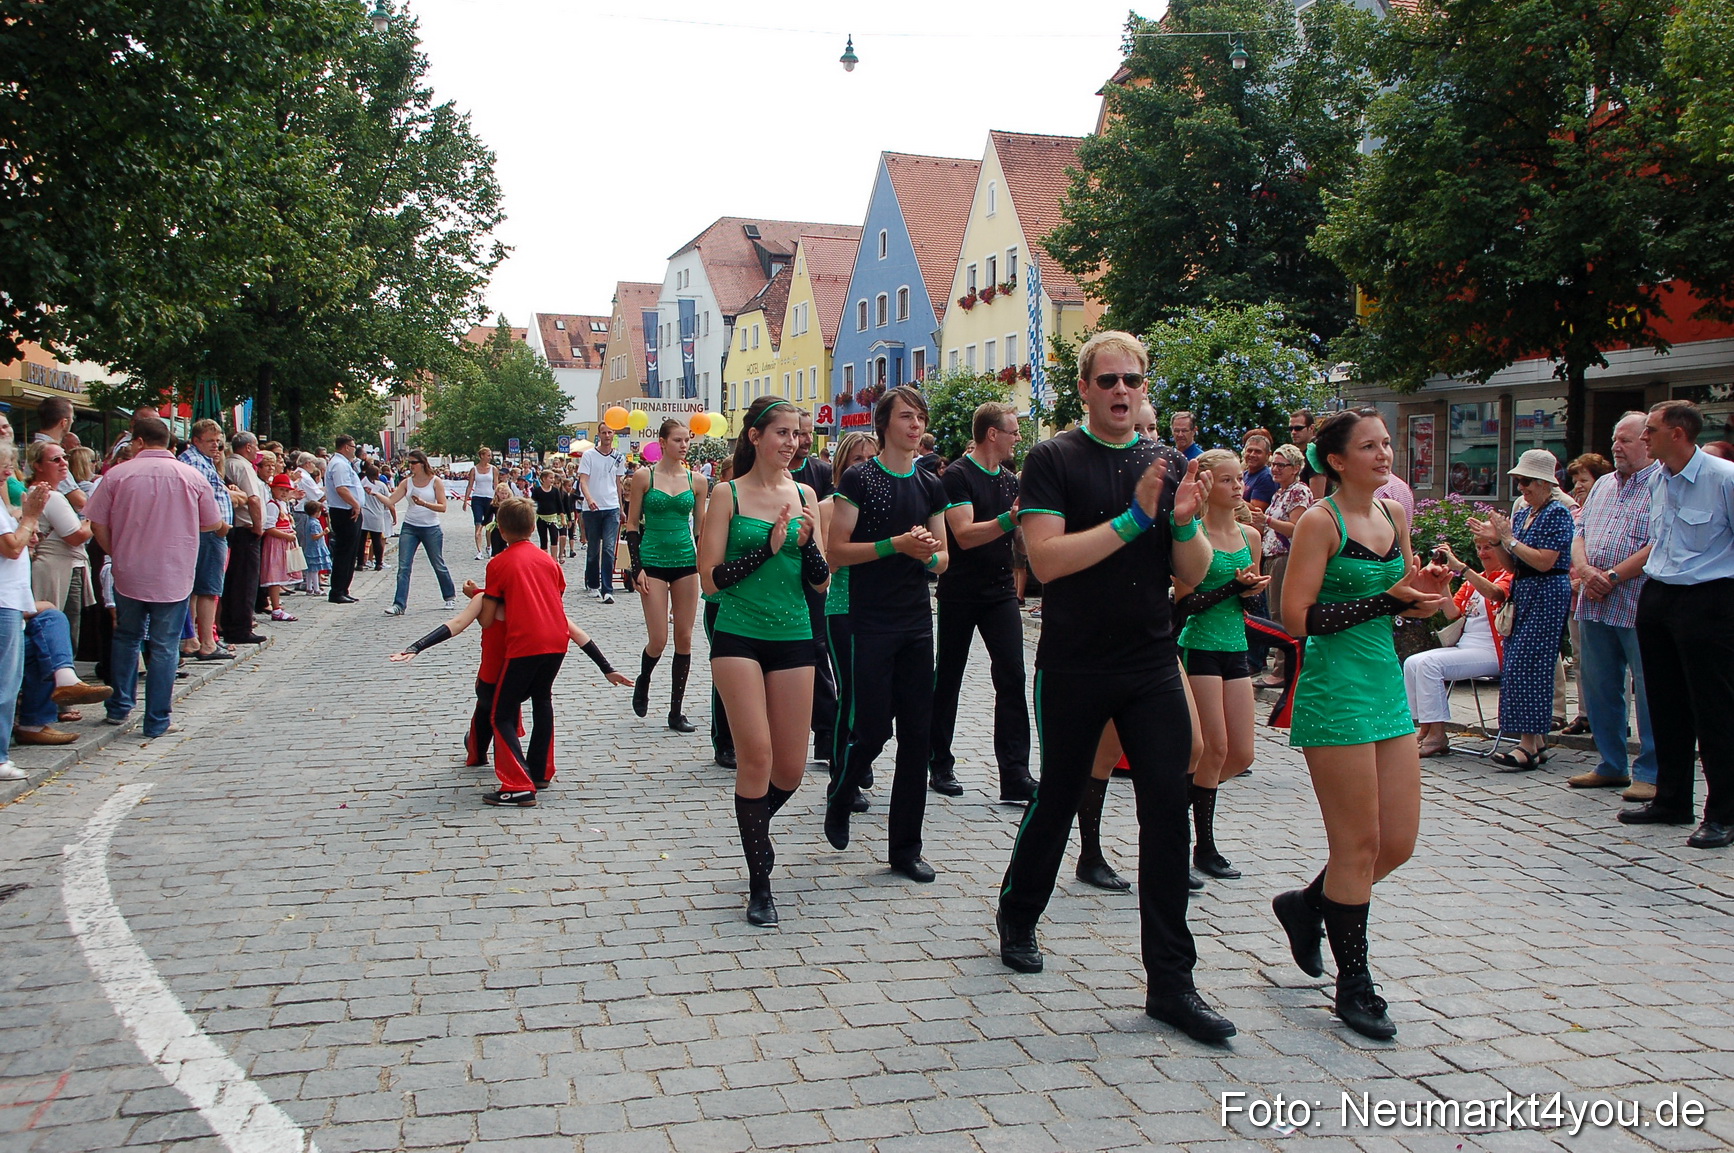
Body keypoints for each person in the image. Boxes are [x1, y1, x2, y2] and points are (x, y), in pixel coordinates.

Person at [994, 331, 1232, 1043]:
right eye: (1108, 380)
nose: (1122, 390)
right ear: (1085, 389)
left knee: (1166, 812)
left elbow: (1192, 571)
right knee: (1059, 797)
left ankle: (1172, 982)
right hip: (1073, 662)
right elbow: (1047, 559)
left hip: (1152, 660)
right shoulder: (1052, 457)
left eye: (1132, 379)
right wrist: (1134, 516)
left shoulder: (1164, 460)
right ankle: (1019, 911)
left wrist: (1183, 523)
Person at [1273, 407, 1445, 1041]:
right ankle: (1355, 984)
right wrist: (1387, 599)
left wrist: (1428, 587)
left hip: (1384, 686)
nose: (1383, 454)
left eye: (1387, 444)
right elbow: (1297, 619)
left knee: (1396, 842)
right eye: (1368, 447)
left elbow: (1406, 589)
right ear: (1337, 460)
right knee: (1358, 846)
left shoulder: (1395, 515)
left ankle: (1306, 905)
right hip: (1333, 691)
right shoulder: (1320, 522)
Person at [696, 397, 827, 925]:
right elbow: (711, 581)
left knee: (791, 770)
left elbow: (820, 579)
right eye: (782, 433)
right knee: (756, 754)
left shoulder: (806, 494)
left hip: (794, 634)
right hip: (738, 636)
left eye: (797, 434)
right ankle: (760, 881)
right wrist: (768, 549)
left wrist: (805, 544)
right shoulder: (726, 494)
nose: (792, 442)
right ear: (755, 437)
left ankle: (756, 828)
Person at [823, 385, 950, 883]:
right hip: (870, 619)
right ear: (884, 424)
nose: (916, 425)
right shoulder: (860, 478)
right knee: (874, 729)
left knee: (917, 736)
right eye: (906, 416)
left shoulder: (930, 484)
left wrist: (926, 554)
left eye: (920, 416)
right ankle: (843, 789)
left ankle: (905, 849)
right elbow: (837, 552)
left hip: (917, 622)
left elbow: (943, 558)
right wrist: (896, 545)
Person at [1618, 401, 1734, 848]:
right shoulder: (1658, 480)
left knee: (1715, 707)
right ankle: (1671, 799)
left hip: (1709, 597)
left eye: (1651, 430)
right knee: (1663, 701)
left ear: (1679, 434)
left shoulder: (1722, 479)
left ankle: (1723, 812)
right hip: (1660, 593)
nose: (1645, 437)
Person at [84, 416, 224, 740]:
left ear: (138, 442)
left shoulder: (116, 475)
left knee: (127, 638)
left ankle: (119, 707)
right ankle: (157, 720)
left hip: (130, 570)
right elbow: (212, 523)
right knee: (164, 646)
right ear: (170, 444)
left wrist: (116, 550)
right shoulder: (192, 476)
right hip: (173, 571)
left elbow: (97, 523)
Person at [392, 576, 631, 763]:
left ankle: (492, 757)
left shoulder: (484, 598)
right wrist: (607, 668)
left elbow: (456, 624)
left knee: (489, 710)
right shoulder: (535, 605)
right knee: (499, 708)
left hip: (490, 681)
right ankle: (489, 752)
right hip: (519, 679)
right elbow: (578, 635)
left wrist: (417, 646)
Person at [928, 401, 1037, 803]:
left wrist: (1031, 529)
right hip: (960, 589)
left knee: (1012, 676)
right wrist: (1011, 519)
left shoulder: (1009, 481)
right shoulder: (957, 475)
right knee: (950, 675)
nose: (1017, 438)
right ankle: (939, 762)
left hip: (1000, 590)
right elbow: (964, 533)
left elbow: (1017, 536)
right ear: (993, 434)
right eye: (1013, 431)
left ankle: (1015, 773)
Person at [1173, 449, 1269, 881]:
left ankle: (1185, 811)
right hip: (1200, 644)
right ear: (1209, 485)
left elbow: (1248, 596)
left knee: (1240, 753)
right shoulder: (1193, 533)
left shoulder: (1250, 536)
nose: (1237, 487)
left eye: (1238, 480)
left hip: (1236, 643)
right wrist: (1233, 586)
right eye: (1228, 480)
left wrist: (1248, 590)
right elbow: (1184, 602)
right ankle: (1202, 845)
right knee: (1212, 748)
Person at [1566, 416, 1658, 795]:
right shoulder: (1603, 484)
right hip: (1595, 603)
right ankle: (1611, 763)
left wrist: (1613, 576)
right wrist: (1587, 571)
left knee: (1650, 690)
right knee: (1600, 685)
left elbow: (1660, 542)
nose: (1617, 447)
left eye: (1626, 440)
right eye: (1614, 439)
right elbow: (1580, 533)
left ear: (1648, 442)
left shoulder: (1662, 484)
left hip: (1637, 602)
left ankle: (1651, 771)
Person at [1469, 449, 1573, 771]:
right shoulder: (1527, 513)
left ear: (1545, 482)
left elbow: (1545, 561)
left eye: (1527, 482)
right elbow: (1512, 563)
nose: (1522, 489)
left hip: (1546, 591)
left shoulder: (1557, 513)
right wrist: (1499, 543)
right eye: (1519, 482)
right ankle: (1535, 742)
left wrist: (1507, 539)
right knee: (1517, 662)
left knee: (1531, 665)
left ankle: (1528, 744)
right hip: (1526, 590)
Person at [477, 497, 574, 807]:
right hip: (557, 640)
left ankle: (517, 783)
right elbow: (554, 594)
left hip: (524, 644)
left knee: (502, 713)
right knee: (542, 700)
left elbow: (487, 618)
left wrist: (475, 596)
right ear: (534, 527)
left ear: (501, 531)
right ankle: (541, 770)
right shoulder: (548, 560)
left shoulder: (498, 564)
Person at [624, 420, 709, 733]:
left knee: (685, 637)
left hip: (686, 561)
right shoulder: (644, 476)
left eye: (687, 440)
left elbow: (700, 528)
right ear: (662, 442)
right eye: (677, 440)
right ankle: (644, 679)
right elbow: (632, 524)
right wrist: (637, 567)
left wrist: (706, 560)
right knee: (659, 638)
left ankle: (676, 710)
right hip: (653, 562)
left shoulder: (697, 481)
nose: (684, 445)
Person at [1404, 541, 1512, 756]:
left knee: (1429, 664)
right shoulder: (1473, 581)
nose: (1482, 553)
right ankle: (1426, 728)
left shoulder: (1508, 576)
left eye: (1488, 548)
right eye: (1480, 548)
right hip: (1467, 646)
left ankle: (1438, 734)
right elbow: (1453, 613)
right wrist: (1442, 582)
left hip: (1492, 650)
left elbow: (1496, 594)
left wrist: (1462, 568)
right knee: (1412, 662)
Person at [817, 431, 878, 793]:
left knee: (877, 696)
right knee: (851, 692)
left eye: (872, 459)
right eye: (858, 460)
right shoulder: (829, 507)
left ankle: (862, 754)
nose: (866, 466)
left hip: (881, 607)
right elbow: (830, 564)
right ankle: (842, 773)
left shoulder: (889, 501)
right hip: (843, 605)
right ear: (843, 465)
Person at [788, 412, 838, 767]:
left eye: (808, 434)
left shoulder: (819, 475)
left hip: (813, 577)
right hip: (770, 582)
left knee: (818, 653)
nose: (806, 441)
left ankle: (825, 734)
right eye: (799, 434)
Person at [0, 473, 50, 780]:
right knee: (6, 683)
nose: (8, 473)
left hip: (10, 599)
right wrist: (30, 517)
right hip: (4, 599)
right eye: (3, 465)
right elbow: (13, 546)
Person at [177, 419, 239, 661]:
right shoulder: (193, 462)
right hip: (208, 532)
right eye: (210, 441)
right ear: (196, 441)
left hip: (207, 532)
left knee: (197, 589)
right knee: (207, 588)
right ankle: (207, 642)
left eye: (218, 440)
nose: (216, 445)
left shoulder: (201, 461)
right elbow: (201, 499)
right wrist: (221, 526)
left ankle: (192, 639)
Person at [1253, 443, 1312, 687]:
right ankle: (1283, 667)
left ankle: (1284, 670)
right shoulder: (1280, 493)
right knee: (1274, 612)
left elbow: (1298, 529)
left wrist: (1266, 520)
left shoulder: (1299, 492)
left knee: (1281, 613)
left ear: (1295, 468)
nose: (1275, 469)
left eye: (1281, 465)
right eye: (1273, 465)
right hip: (1271, 557)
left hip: (1286, 557)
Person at [24, 441, 92, 649]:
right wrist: (95, 517)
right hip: (58, 569)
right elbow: (76, 536)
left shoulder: (42, 492)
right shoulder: (51, 496)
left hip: (56, 566)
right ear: (38, 466)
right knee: (63, 630)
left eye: (65, 458)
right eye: (56, 459)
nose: (63, 463)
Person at [380, 450, 457, 616]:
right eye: (409, 463)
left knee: (437, 563)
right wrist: (375, 494)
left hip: (431, 527)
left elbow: (443, 506)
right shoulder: (407, 482)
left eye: (413, 462)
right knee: (404, 566)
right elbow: (391, 501)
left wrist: (423, 503)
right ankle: (399, 604)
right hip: (410, 526)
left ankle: (449, 595)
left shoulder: (435, 481)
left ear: (422, 463)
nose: (410, 466)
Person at [220, 432, 268, 647]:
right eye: (256, 446)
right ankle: (241, 627)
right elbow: (253, 498)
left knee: (235, 580)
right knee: (245, 580)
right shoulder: (242, 466)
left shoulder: (229, 464)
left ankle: (232, 623)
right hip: (245, 528)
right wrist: (258, 525)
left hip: (236, 529)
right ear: (248, 447)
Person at [579, 428, 626, 603]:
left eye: (610, 432)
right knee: (593, 549)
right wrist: (589, 498)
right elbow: (583, 480)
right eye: (604, 432)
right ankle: (592, 583)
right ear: (599, 435)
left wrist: (621, 508)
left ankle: (608, 589)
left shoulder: (618, 457)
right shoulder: (589, 456)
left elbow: (618, 483)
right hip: (592, 508)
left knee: (608, 548)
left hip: (611, 506)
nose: (607, 435)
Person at [323, 435, 365, 604]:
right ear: (346, 447)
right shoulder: (339, 464)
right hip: (344, 511)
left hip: (348, 510)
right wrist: (355, 504)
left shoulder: (342, 463)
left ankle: (344, 588)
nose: (355, 450)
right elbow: (342, 489)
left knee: (351, 552)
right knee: (344, 552)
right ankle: (338, 590)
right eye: (353, 446)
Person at [259, 475, 302, 622]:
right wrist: (286, 536)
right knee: (274, 574)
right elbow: (269, 527)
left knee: (280, 573)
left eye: (286, 490)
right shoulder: (272, 506)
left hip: (283, 542)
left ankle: (276, 605)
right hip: (276, 543)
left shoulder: (282, 505)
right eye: (281, 490)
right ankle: (275, 607)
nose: (284, 493)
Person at [464, 447, 498, 560]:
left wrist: (497, 499)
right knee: (478, 524)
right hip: (477, 497)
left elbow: (496, 485)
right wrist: (465, 500)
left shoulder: (493, 469)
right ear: (482, 456)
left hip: (490, 498)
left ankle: (489, 547)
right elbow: (470, 485)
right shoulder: (474, 469)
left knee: (488, 525)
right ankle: (479, 550)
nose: (490, 458)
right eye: (488, 455)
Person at [360, 462, 393, 571]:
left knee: (362, 540)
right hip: (377, 514)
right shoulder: (381, 485)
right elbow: (388, 499)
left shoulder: (362, 483)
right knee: (377, 540)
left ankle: (360, 562)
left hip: (364, 513)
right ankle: (378, 562)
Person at [1288, 409, 1325, 497]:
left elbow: (1316, 497)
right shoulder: (1295, 453)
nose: (1293, 432)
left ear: (1311, 428)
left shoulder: (1315, 453)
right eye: (1290, 429)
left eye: (1298, 428)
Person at [1241, 434, 1276, 511]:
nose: (1252, 455)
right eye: (1249, 451)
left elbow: (1256, 511)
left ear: (1268, 455)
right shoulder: (1245, 474)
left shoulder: (1266, 477)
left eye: (1258, 452)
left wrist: (1230, 498)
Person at [302, 500, 330, 596]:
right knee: (314, 570)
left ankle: (309, 588)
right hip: (315, 548)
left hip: (310, 548)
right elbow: (314, 536)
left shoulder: (309, 521)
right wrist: (324, 533)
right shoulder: (314, 523)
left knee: (310, 570)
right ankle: (316, 588)